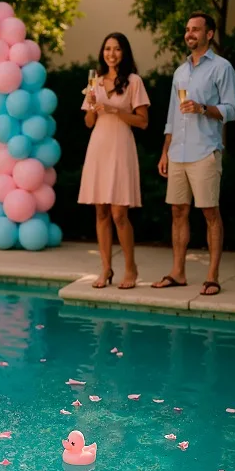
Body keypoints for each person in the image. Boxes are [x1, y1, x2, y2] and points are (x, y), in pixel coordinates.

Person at [153, 12, 235, 296]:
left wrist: (202, 108)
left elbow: (232, 109)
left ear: (209, 34)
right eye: (187, 29)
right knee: (178, 211)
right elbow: (171, 116)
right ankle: (178, 272)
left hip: (205, 151)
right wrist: (165, 152)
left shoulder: (222, 68)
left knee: (210, 212)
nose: (189, 34)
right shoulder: (180, 72)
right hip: (177, 151)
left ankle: (212, 276)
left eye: (195, 29)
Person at [79, 32, 150, 290]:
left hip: (121, 148)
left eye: (117, 49)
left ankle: (131, 268)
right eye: (107, 48)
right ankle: (106, 268)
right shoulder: (95, 82)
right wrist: (92, 104)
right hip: (98, 147)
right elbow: (89, 123)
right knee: (101, 211)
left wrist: (115, 110)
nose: (111, 53)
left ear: (124, 52)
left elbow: (143, 122)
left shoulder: (134, 81)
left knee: (119, 213)